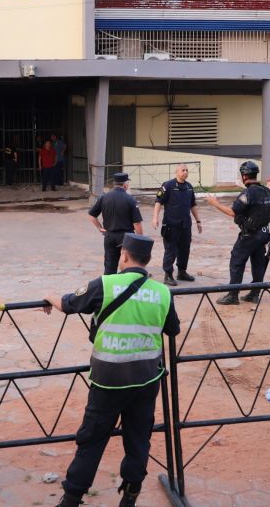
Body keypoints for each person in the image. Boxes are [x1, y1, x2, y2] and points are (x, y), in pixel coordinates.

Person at [43, 234, 180, 507]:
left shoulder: (105, 285)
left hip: (108, 381)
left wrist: (48, 296)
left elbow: (70, 304)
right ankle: (129, 497)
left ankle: (71, 498)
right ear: (147, 260)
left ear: (125, 256)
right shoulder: (163, 292)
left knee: (91, 440)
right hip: (146, 379)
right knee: (139, 440)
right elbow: (172, 329)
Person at [206, 161, 270, 304]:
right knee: (258, 263)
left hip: (250, 235)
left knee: (237, 261)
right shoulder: (265, 191)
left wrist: (215, 203)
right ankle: (255, 294)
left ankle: (233, 295)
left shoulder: (248, 193)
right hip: (263, 235)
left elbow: (233, 212)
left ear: (244, 176)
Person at [152, 164, 202, 286]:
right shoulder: (167, 185)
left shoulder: (189, 187)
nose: (185, 172)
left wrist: (198, 221)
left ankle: (182, 272)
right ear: (176, 172)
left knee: (185, 249)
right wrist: (155, 218)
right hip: (171, 224)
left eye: (187, 170)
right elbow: (158, 201)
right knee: (171, 249)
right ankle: (168, 275)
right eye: (183, 170)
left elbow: (193, 205)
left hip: (185, 225)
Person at [87, 172, 144, 275]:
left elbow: (92, 215)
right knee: (128, 265)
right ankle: (125, 287)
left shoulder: (104, 197)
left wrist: (100, 228)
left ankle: (109, 287)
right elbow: (137, 224)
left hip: (109, 236)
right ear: (125, 184)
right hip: (126, 237)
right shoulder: (130, 199)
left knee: (109, 266)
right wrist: (140, 241)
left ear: (115, 183)